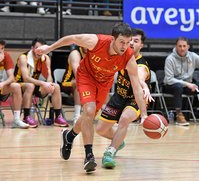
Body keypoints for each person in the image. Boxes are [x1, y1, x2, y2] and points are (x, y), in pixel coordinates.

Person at [35, 22, 149, 173]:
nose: (125, 46)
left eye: (128, 43)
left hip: (103, 83)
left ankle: (69, 136)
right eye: (122, 42)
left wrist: (145, 114)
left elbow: (136, 88)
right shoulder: (96, 41)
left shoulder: (128, 57)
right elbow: (72, 38)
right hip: (86, 76)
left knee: (88, 116)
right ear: (113, 39)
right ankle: (89, 156)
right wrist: (48, 48)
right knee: (89, 110)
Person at [96, 28, 153, 169]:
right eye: (130, 40)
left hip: (136, 99)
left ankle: (110, 152)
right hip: (119, 95)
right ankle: (118, 141)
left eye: (136, 41)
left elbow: (140, 78)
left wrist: (144, 87)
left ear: (141, 45)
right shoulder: (120, 55)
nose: (132, 43)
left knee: (125, 118)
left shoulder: (141, 65)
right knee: (100, 129)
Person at [14, 37, 68, 128]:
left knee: (56, 87)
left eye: (41, 48)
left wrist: (49, 84)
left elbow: (49, 76)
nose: (39, 51)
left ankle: (58, 117)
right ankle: (26, 116)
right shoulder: (23, 57)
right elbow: (26, 78)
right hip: (20, 85)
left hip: (35, 84)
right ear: (32, 48)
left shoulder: (45, 58)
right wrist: (43, 84)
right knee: (30, 86)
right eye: (37, 48)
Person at [164, 37, 199, 126]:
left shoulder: (192, 56)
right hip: (171, 85)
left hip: (188, 85)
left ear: (188, 47)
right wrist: (187, 84)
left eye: (184, 46)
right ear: (176, 47)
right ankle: (179, 115)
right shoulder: (170, 59)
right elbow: (169, 79)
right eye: (180, 46)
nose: (182, 48)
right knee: (178, 87)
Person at [0, 40, 30, 129]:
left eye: (2, 48)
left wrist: (3, 83)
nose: (1, 51)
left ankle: (16, 120)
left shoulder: (6, 56)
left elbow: (11, 78)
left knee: (16, 86)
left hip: (1, 87)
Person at [60, 44, 87, 125]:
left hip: (85, 82)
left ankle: (106, 115)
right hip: (68, 83)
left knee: (103, 83)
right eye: (86, 44)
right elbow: (77, 73)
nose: (88, 47)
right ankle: (77, 116)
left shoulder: (92, 54)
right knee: (79, 83)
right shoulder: (75, 53)